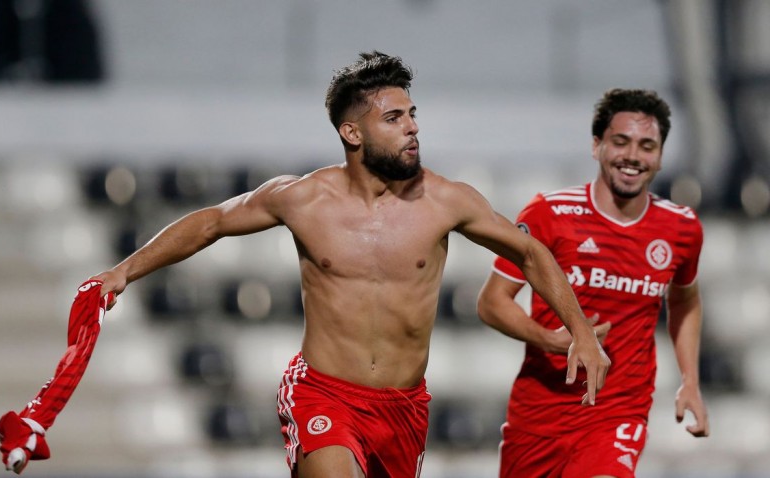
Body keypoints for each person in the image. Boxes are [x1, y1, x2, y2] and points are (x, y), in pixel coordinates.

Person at [91, 51, 609, 478]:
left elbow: (530, 251)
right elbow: (210, 222)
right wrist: (123, 272)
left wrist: (580, 331)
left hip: (405, 408)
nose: (412, 129)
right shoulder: (303, 199)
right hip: (325, 394)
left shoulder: (447, 200)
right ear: (352, 133)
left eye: (412, 115)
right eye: (393, 118)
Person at [477, 88, 710, 478]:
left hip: (619, 411)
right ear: (596, 145)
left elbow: (686, 301)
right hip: (540, 412)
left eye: (647, 145)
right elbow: (491, 302)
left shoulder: (682, 228)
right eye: (621, 142)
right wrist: (550, 340)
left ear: (661, 155)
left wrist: (690, 381)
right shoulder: (550, 213)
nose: (633, 156)